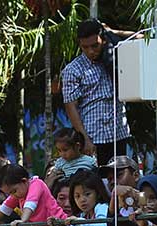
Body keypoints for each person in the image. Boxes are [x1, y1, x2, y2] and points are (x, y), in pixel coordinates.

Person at [61, 19, 131, 164]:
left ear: (103, 40)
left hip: (120, 133)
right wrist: (85, 138)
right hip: (94, 138)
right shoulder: (73, 70)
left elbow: (144, 37)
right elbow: (71, 106)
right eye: (85, 47)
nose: (91, 51)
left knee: (120, 181)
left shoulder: (116, 59)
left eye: (95, 46)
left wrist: (112, 31)